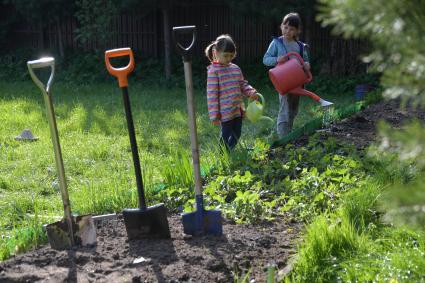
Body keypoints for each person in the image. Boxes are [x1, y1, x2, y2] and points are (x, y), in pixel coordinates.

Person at [205, 34, 260, 150]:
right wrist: (214, 114)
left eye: (231, 55)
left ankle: (230, 150)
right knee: (226, 134)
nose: (229, 59)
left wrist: (251, 92)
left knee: (237, 133)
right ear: (216, 52)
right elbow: (212, 95)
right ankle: (222, 154)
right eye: (226, 56)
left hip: (237, 109)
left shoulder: (235, 68)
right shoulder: (213, 71)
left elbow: (242, 84)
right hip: (225, 111)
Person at [263, 12, 311, 138]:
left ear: (297, 31)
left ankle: (288, 132)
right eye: (286, 27)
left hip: (297, 82)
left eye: (292, 29)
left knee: (294, 110)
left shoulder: (300, 46)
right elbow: (266, 59)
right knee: (285, 108)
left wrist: (306, 64)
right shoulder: (277, 43)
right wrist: (277, 59)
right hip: (283, 82)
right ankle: (283, 137)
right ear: (281, 26)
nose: (287, 31)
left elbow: (305, 60)